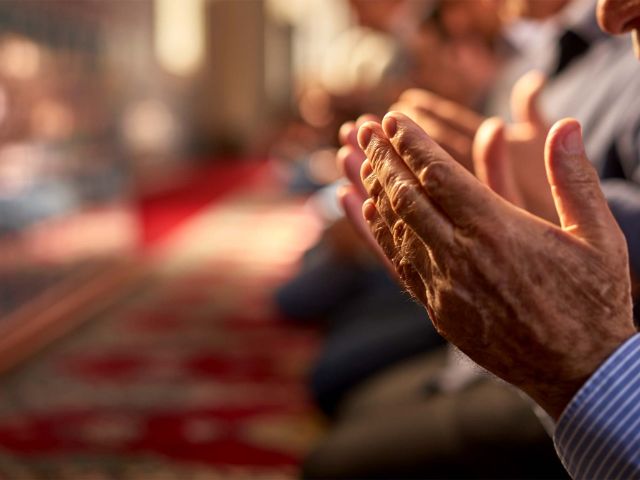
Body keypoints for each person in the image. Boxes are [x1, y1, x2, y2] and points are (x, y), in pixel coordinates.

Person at [338, 0, 640, 477]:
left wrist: (573, 212)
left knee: (335, 434)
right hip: (529, 360)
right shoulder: (540, 53)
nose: (611, 15)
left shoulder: (617, 68)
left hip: (589, 369)